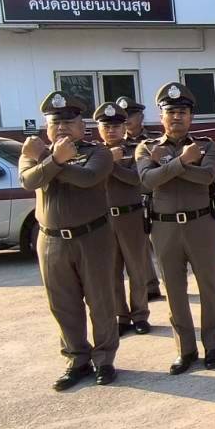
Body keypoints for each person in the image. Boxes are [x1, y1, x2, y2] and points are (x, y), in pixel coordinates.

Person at [19, 91, 118, 390]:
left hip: (92, 237)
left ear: (82, 126)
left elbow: (87, 178)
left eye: (68, 122)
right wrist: (52, 159)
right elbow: (29, 180)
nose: (61, 127)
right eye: (55, 122)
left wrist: (49, 161)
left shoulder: (97, 152)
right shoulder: (31, 151)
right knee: (62, 304)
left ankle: (104, 360)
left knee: (100, 301)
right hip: (51, 241)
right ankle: (77, 360)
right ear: (47, 126)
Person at [136, 82, 215, 373]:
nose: (177, 117)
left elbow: (207, 176)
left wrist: (168, 165)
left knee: (209, 287)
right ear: (161, 116)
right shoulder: (146, 147)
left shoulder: (206, 145)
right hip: (164, 229)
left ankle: (212, 346)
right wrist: (184, 161)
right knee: (173, 290)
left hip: (200, 224)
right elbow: (147, 181)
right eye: (171, 112)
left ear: (191, 117)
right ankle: (185, 350)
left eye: (182, 112)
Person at [94, 100, 151, 337]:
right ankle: (121, 315)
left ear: (123, 127)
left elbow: (136, 179)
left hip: (131, 215)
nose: (111, 130)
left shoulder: (136, 148)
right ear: (98, 128)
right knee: (111, 272)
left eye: (116, 126)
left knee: (137, 270)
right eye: (106, 126)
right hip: (103, 220)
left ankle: (140, 315)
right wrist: (107, 160)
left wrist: (111, 165)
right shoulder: (93, 153)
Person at [116, 94, 164, 302]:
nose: (127, 119)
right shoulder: (116, 143)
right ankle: (150, 286)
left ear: (141, 117)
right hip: (132, 200)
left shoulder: (155, 139)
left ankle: (171, 282)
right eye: (123, 116)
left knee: (161, 244)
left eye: (131, 115)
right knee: (139, 247)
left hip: (156, 196)